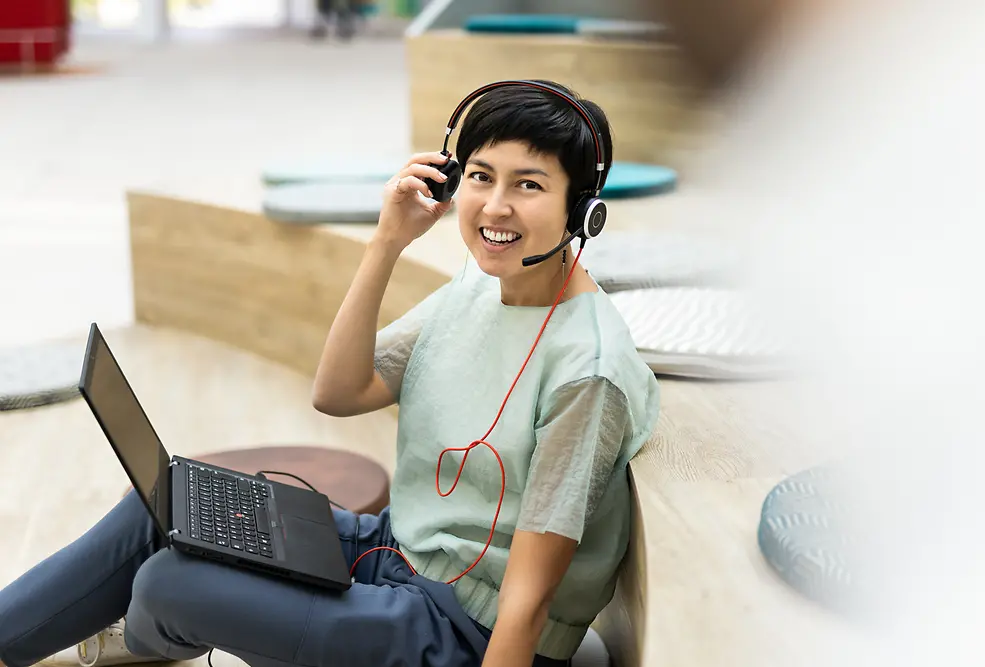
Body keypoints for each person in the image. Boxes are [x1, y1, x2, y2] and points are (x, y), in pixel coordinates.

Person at [0, 80, 659, 667]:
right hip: (392, 549)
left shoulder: (585, 372)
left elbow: (530, 595)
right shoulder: (481, 287)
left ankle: (143, 630)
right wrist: (387, 241)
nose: (494, 206)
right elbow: (339, 390)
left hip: (465, 629)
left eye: (530, 184)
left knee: (165, 585)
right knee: (166, 503)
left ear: (581, 209)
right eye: (481, 177)